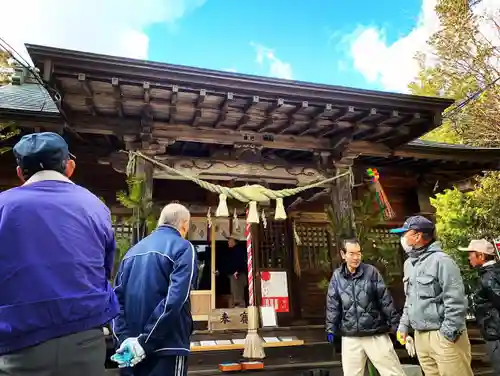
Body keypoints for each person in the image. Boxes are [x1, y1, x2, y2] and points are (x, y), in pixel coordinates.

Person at [0, 132, 118, 376]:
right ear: (70, 167)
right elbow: (105, 270)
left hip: (18, 342)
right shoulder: (96, 207)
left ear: (20, 172)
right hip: (85, 340)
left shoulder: (3, 206)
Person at [112, 203, 197, 376]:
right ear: (184, 225)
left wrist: (125, 340)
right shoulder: (183, 247)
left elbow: (114, 302)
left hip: (131, 350)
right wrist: (145, 341)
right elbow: (174, 301)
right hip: (167, 346)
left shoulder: (131, 252)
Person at [391, 216, 473, 376]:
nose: (402, 238)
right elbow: (410, 300)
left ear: (417, 236)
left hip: (443, 335)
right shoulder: (409, 264)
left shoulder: (442, 261)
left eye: (405, 233)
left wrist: (448, 334)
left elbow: (456, 301)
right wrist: (403, 326)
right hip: (420, 336)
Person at [325, 238, 405, 376]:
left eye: (359, 253)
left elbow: (385, 300)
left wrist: (396, 325)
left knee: (392, 372)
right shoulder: (337, 276)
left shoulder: (371, 272)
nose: (356, 257)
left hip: (375, 333)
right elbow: (333, 304)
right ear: (343, 255)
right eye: (352, 253)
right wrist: (331, 328)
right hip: (350, 336)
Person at [460, 239, 500, 374]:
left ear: (481, 256)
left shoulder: (488, 278)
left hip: (496, 333)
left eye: (471, 254)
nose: (469, 257)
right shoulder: (494, 273)